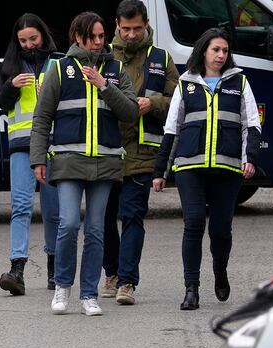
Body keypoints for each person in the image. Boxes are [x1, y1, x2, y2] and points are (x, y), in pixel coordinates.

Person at [30, 11, 139, 316]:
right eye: (92, 36)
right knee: (67, 224)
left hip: (105, 161)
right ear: (77, 37)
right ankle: (63, 286)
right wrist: (38, 158)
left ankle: (89, 293)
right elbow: (42, 118)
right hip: (67, 161)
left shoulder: (115, 69)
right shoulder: (61, 69)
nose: (98, 42)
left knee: (95, 230)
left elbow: (131, 112)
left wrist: (105, 85)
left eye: (102, 36)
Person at [152, 28, 261, 310]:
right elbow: (171, 129)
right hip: (190, 166)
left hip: (227, 168)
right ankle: (191, 289)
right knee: (194, 223)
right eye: (216, 50)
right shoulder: (185, 83)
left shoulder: (240, 81)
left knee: (221, 229)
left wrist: (249, 158)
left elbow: (252, 124)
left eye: (225, 50)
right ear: (203, 51)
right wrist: (159, 172)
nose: (221, 55)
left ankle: (220, 271)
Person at [100, 0, 179, 305]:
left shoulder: (161, 58)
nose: (131, 35)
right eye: (125, 29)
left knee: (132, 215)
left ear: (146, 23)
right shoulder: (102, 55)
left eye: (137, 28)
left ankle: (127, 282)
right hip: (105, 150)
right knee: (103, 219)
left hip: (143, 151)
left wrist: (154, 104)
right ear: (116, 25)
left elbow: (179, 99)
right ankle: (111, 272)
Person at [0, 13, 60, 296]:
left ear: (43, 36)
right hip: (22, 145)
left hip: (54, 144)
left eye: (33, 39)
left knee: (53, 211)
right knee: (20, 206)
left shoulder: (58, 63)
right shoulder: (11, 65)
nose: (28, 45)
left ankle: (54, 267)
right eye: (22, 40)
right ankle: (17, 269)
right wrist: (11, 86)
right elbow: (0, 102)